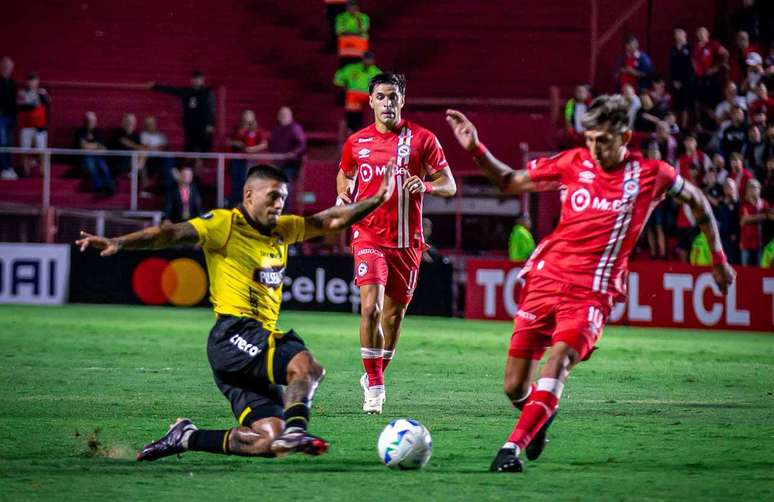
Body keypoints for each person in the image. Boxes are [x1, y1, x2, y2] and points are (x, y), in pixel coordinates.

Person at [445, 95, 735, 473]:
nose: (595, 148)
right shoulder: (572, 162)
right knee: (514, 387)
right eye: (590, 138)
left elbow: (698, 201)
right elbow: (508, 181)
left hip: (592, 292)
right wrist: (476, 148)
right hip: (545, 280)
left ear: (625, 136)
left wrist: (718, 258)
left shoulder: (652, 174)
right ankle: (539, 414)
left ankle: (510, 449)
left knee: (559, 360)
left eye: (604, 139)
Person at [75, 162, 396, 461]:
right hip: (234, 335)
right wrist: (120, 242)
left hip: (243, 352)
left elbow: (331, 220)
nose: (278, 204)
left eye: (283, 198)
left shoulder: (283, 229)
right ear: (249, 195)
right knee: (307, 367)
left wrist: (378, 197)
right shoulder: (224, 224)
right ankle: (298, 431)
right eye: (272, 196)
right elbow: (170, 233)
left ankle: (186, 437)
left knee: (267, 440)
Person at [336, 73, 457, 414]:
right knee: (370, 307)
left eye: (393, 97)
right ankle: (375, 388)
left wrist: (427, 186)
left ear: (402, 100)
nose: (387, 103)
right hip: (368, 235)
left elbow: (449, 185)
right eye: (381, 97)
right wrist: (343, 192)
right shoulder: (356, 142)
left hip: (407, 243)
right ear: (370, 101)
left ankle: (374, 373)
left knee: (392, 319)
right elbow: (344, 172)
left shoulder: (423, 139)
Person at [151, 71, 215, 154]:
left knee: (204, 148)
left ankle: (202, 164)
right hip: (190, 125)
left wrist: (210, 124)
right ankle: (189, 165)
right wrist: (156, 86)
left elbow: (210, 109)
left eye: (198, 79)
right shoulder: (187, 91)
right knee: (189, 148)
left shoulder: (207, 92)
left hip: (203, 125)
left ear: (202, 80)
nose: (196, 81)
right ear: (191, 81)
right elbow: (173, 90)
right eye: (194, 79)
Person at [268, 106, 306, 210]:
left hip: (291, 164)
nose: (282, 116)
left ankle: (285, 211)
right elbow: (271, 144)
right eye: (281, 114)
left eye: (284, 114)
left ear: (290, 116)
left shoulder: (295, 128)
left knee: (285, 185)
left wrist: (292, 154)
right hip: (278, 163)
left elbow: (301, 145)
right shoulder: (277, 129)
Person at [228, 110, 268, 207]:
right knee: (237, 183)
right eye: (245, 115)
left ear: (253, 117)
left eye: (249, 115)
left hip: (251, 161)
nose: (247, 117)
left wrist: (252, 149)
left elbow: (264, 144)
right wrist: (237, 143)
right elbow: (228, 141)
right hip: (236, 160)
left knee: (250, 182)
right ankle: (236, 204)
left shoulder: (257, 130)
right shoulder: (237, 129)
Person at [334, 51, 382, 133]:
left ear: (373, 61)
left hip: (368, 98)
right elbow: (338, 77)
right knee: (353, 114)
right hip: (353, 98)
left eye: (369, 60)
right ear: (362, 59)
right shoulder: (351, 68)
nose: (367, 62)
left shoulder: (376, 72)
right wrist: (343, 86)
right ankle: (351, 129)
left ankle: (370, 131)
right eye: (366, 59)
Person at [16, 72, 50, 176]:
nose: (32, 83)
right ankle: (25, 171)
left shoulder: (42, 92)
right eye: (30, 81)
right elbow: (23, 106)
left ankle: (43, 171)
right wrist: (34, 103)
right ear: (27, 82)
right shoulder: (22, 93)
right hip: (26, 126)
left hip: (40, 126)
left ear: (37, 82)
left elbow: (47, 102)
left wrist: (39, 97)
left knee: (41, 150)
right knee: (25, 149)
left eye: (34, 81)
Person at [75, 111, 114, 195]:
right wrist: (96, 145)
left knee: (104, 168)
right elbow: (84, 146)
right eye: (89, 120)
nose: (91, 122)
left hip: (98, 156)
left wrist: (91, 146)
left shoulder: (99, 132)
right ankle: (99, 187)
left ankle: (110, 187)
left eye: (93, 121)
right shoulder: (81, 131)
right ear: (85, 121)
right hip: (85, 157)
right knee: (91, 166)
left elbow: (103, 148)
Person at [740, 179, 772, 266]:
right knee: (745, 269)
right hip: (746, 243)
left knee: (759, 268)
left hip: (760, 243)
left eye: (754, 187)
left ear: (759, 190)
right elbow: (744, 220)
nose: (751, 190)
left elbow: (771, 215)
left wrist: (753, 217)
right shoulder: (744, 204)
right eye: (749, 187)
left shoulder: (764, 203)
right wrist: (764, 216)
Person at [669, 28, 695, 129]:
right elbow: (671, 66)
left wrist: (684, 82)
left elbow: (691, 67)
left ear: (685, 35)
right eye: (676, 34)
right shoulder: (673, 49)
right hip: (675, 82)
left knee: (685, 107)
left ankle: (684, 128)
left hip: (687, 82)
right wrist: (674, 81)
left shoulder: (690, 48)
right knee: (675, 106)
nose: (678, 36)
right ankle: (673, 127)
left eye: (680, 34)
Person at [0, 56, 17, 179]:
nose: (8, 69)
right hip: (1, 117)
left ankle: (8, 167)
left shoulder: (11, 83)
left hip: (10, 117)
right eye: (5, 66)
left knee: (9, 143)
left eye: (10, 67)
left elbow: (13, 102)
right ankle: (3, 168)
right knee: (2, 142)